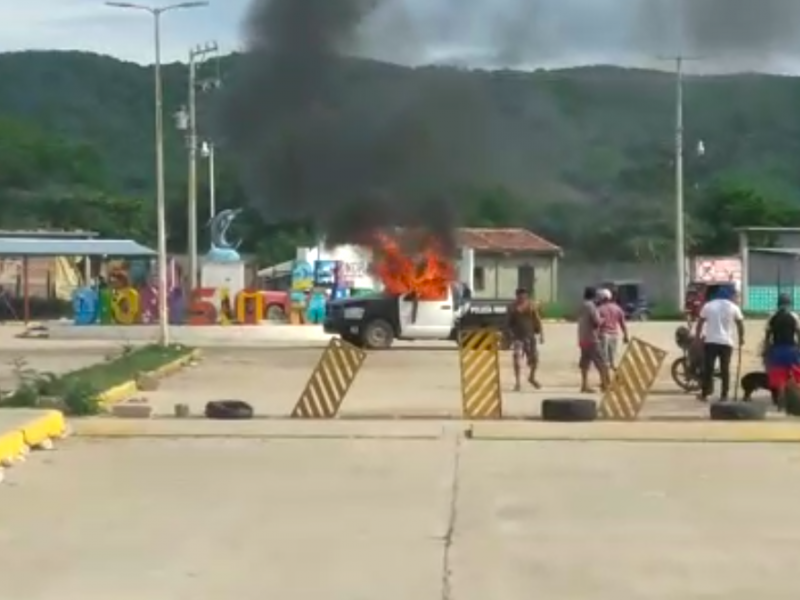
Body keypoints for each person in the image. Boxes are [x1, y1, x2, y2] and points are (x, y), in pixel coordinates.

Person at [694, 286, 744, 401]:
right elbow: (740, 323)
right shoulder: (733, 307)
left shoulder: (708, 306)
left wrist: (697, 338)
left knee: (709, 368)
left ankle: (705, 394)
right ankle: (724, 395)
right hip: (726, 342)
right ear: (728, 295)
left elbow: (700, 323)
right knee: (725, 369)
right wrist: (741, 338)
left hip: (711, 341)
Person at [763, 293, 800, 401]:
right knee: (795, 374)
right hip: (791, 350)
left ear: (778, 304)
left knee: (778, 376)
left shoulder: (772, 316)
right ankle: (795, 398)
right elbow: (798, 333)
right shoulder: (794, 316)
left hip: (777, 350)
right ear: (789, 304)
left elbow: (767, 335)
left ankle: (778, 399)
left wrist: (766, 349)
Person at [507, 287, 544, 391]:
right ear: (517, 296)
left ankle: (532, 377)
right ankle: (518, 383)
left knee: (535, 360)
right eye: (520, 296)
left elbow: (537, 320)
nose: (522, 298)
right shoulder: (512, 307)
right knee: (517, 358)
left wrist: (541, 334)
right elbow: (508, 323)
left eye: (524, 296)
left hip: (530, 337)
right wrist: (509, 336)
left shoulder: (531, 306)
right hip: (518, 337)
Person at [577, 286, 610, 392]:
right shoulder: (591, 306)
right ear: (594, 295)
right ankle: (605, 385)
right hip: (592, 339)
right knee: (602, 362)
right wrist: (603, 320)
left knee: (585, 363)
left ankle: (584, 385)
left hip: (582, 338)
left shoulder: (581, 305)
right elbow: (596, 322)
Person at [597, 288, 629, 371]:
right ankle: (614, 378)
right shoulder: (617, 308)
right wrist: (625, 335)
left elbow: (597, 324)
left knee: (604, 359)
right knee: (612, 359)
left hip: (603, 335)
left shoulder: (600, 309)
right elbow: (623, 323)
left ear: (602, 298)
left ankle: (605, 381)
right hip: (614, 335)